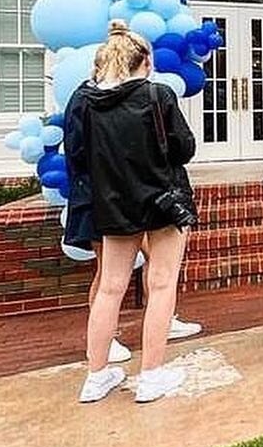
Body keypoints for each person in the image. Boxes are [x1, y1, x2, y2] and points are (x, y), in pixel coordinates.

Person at [70, 22, 196, 404]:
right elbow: (184, 148)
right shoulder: (158, 95)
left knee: (109, 287)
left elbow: (76, 155)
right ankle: (151, 375)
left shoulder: (83, 101)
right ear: (144, 61)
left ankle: (96, 376)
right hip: (162, 199)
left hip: (112, 202)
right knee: (161, 285)